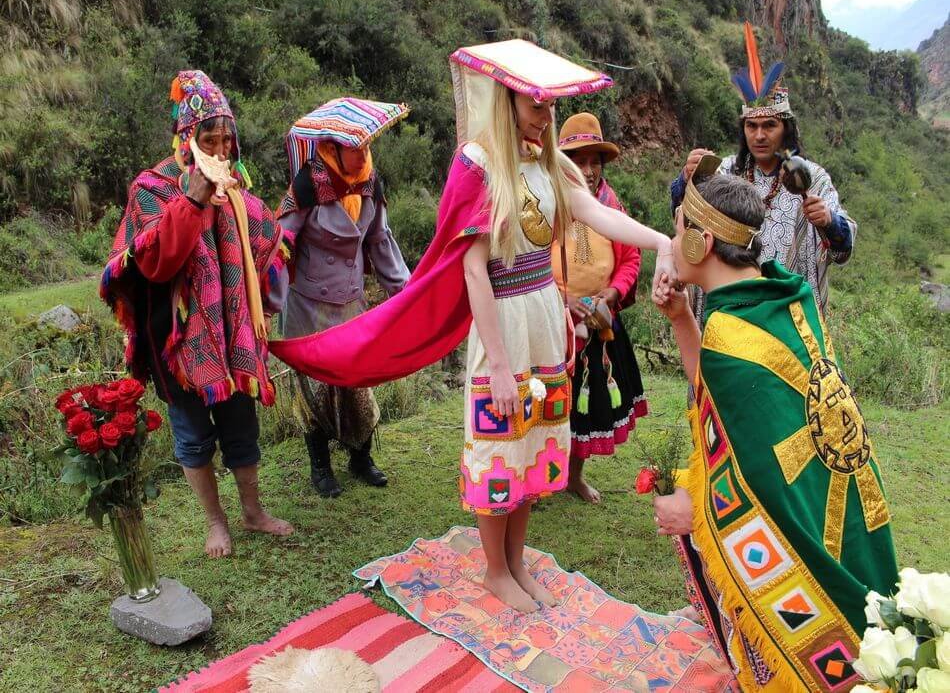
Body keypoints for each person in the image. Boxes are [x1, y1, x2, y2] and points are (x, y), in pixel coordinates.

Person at [269, 39, 676, 612]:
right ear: (506, 102)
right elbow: (475, 273)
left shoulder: (549, 162)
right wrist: (502, 367)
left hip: (544, 314)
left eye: (550, 107)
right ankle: (494, 569)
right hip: (503, 323)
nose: (545, 116)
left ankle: (516, 561)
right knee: (500, 445)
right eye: (536, 106)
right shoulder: (479, 165)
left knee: (535, 442)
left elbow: (597, 214)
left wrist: (663, 241)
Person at [652, 157, 897, 691]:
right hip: (838, 494)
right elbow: (718, 398)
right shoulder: (786, 296)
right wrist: (680, 319)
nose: (671, 243)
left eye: (678, 231)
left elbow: (755, 473)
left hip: (793, 512)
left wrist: (696, 506)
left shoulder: (728, 334)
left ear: (701, 244)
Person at [101, 70, 293, 558]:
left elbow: (267, 240)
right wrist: (194, 198)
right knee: (192, 434)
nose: (222, 149)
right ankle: (216, 523)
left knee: (241, 424)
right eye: (211, 139)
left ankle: (253, 512)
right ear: (187, 139)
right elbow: (156, 262)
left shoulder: (236, 188)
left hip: (231, 334)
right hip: (175, 338)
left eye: (228, 139)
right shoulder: (151, 188)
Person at [670, 22, 856, 318]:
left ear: (786, 129)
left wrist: (829, 220)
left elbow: (843, 247)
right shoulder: (725, 171)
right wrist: (686, 179)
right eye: (751, 126)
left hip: (787, 311)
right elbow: (686, 219)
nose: (759, 135)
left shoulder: (812, 179)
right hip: (731, 309)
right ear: (743, 129)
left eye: (770, 125)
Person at [273, 98, 411, 498]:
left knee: (357, 380)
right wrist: (268, 300)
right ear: (332, 147)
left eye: (367, 147)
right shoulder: (307, 184)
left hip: (350, 301)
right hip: (309, 304)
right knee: (314, 388)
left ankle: (361, 457)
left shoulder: (369, 182)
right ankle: (321, 467)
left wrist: (404, 292)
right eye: (355, 148)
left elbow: (379, 239)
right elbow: (281, 244)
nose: (363, 154)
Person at [553, 112, 648, 504]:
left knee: (588, 403)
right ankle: (544, 475)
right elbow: (530, 264)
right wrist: (563, 300)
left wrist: (612, 292)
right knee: (549, 400)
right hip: (554, 321)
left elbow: (630, 258)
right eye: (578, 160)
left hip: (600, 323)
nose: (588, 171)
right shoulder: (545, 206)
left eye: (595, 161)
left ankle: (574, 476)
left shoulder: (611, 205)